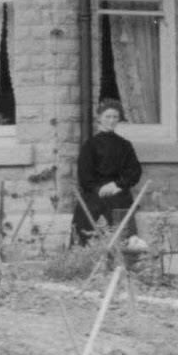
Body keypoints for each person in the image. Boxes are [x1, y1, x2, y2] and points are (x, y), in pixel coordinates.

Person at [74, 98, 143, 248]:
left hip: (118, 192)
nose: (111, 120)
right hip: (94, 194)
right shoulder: (90, 145)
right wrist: (99, 189)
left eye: (115, 117)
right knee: (91, 223)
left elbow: (134, 172)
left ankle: (121, 259)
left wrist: (116, 185)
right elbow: (84, 175)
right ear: (99, 118)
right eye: (108, 116)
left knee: (120, 224)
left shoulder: (125, 145)